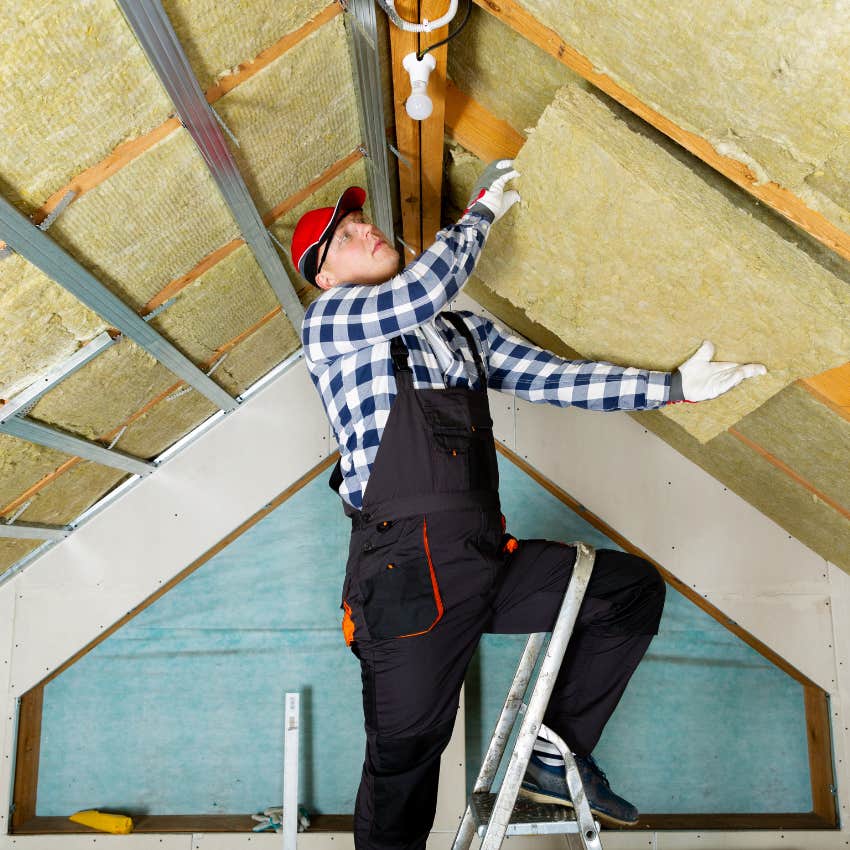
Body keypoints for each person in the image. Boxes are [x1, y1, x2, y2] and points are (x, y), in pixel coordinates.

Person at [291, 160, 766, 850]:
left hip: (485, 563)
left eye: (364, 221)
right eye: (346, 236)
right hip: (405, 582)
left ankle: (555, 751)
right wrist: (478, 214)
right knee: (404, 769)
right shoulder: (331, 323)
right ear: (326, 277)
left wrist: (672, 387)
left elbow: (558, 379)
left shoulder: (461, 334)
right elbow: (421, 289)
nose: (366, 231)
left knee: (627, 594)